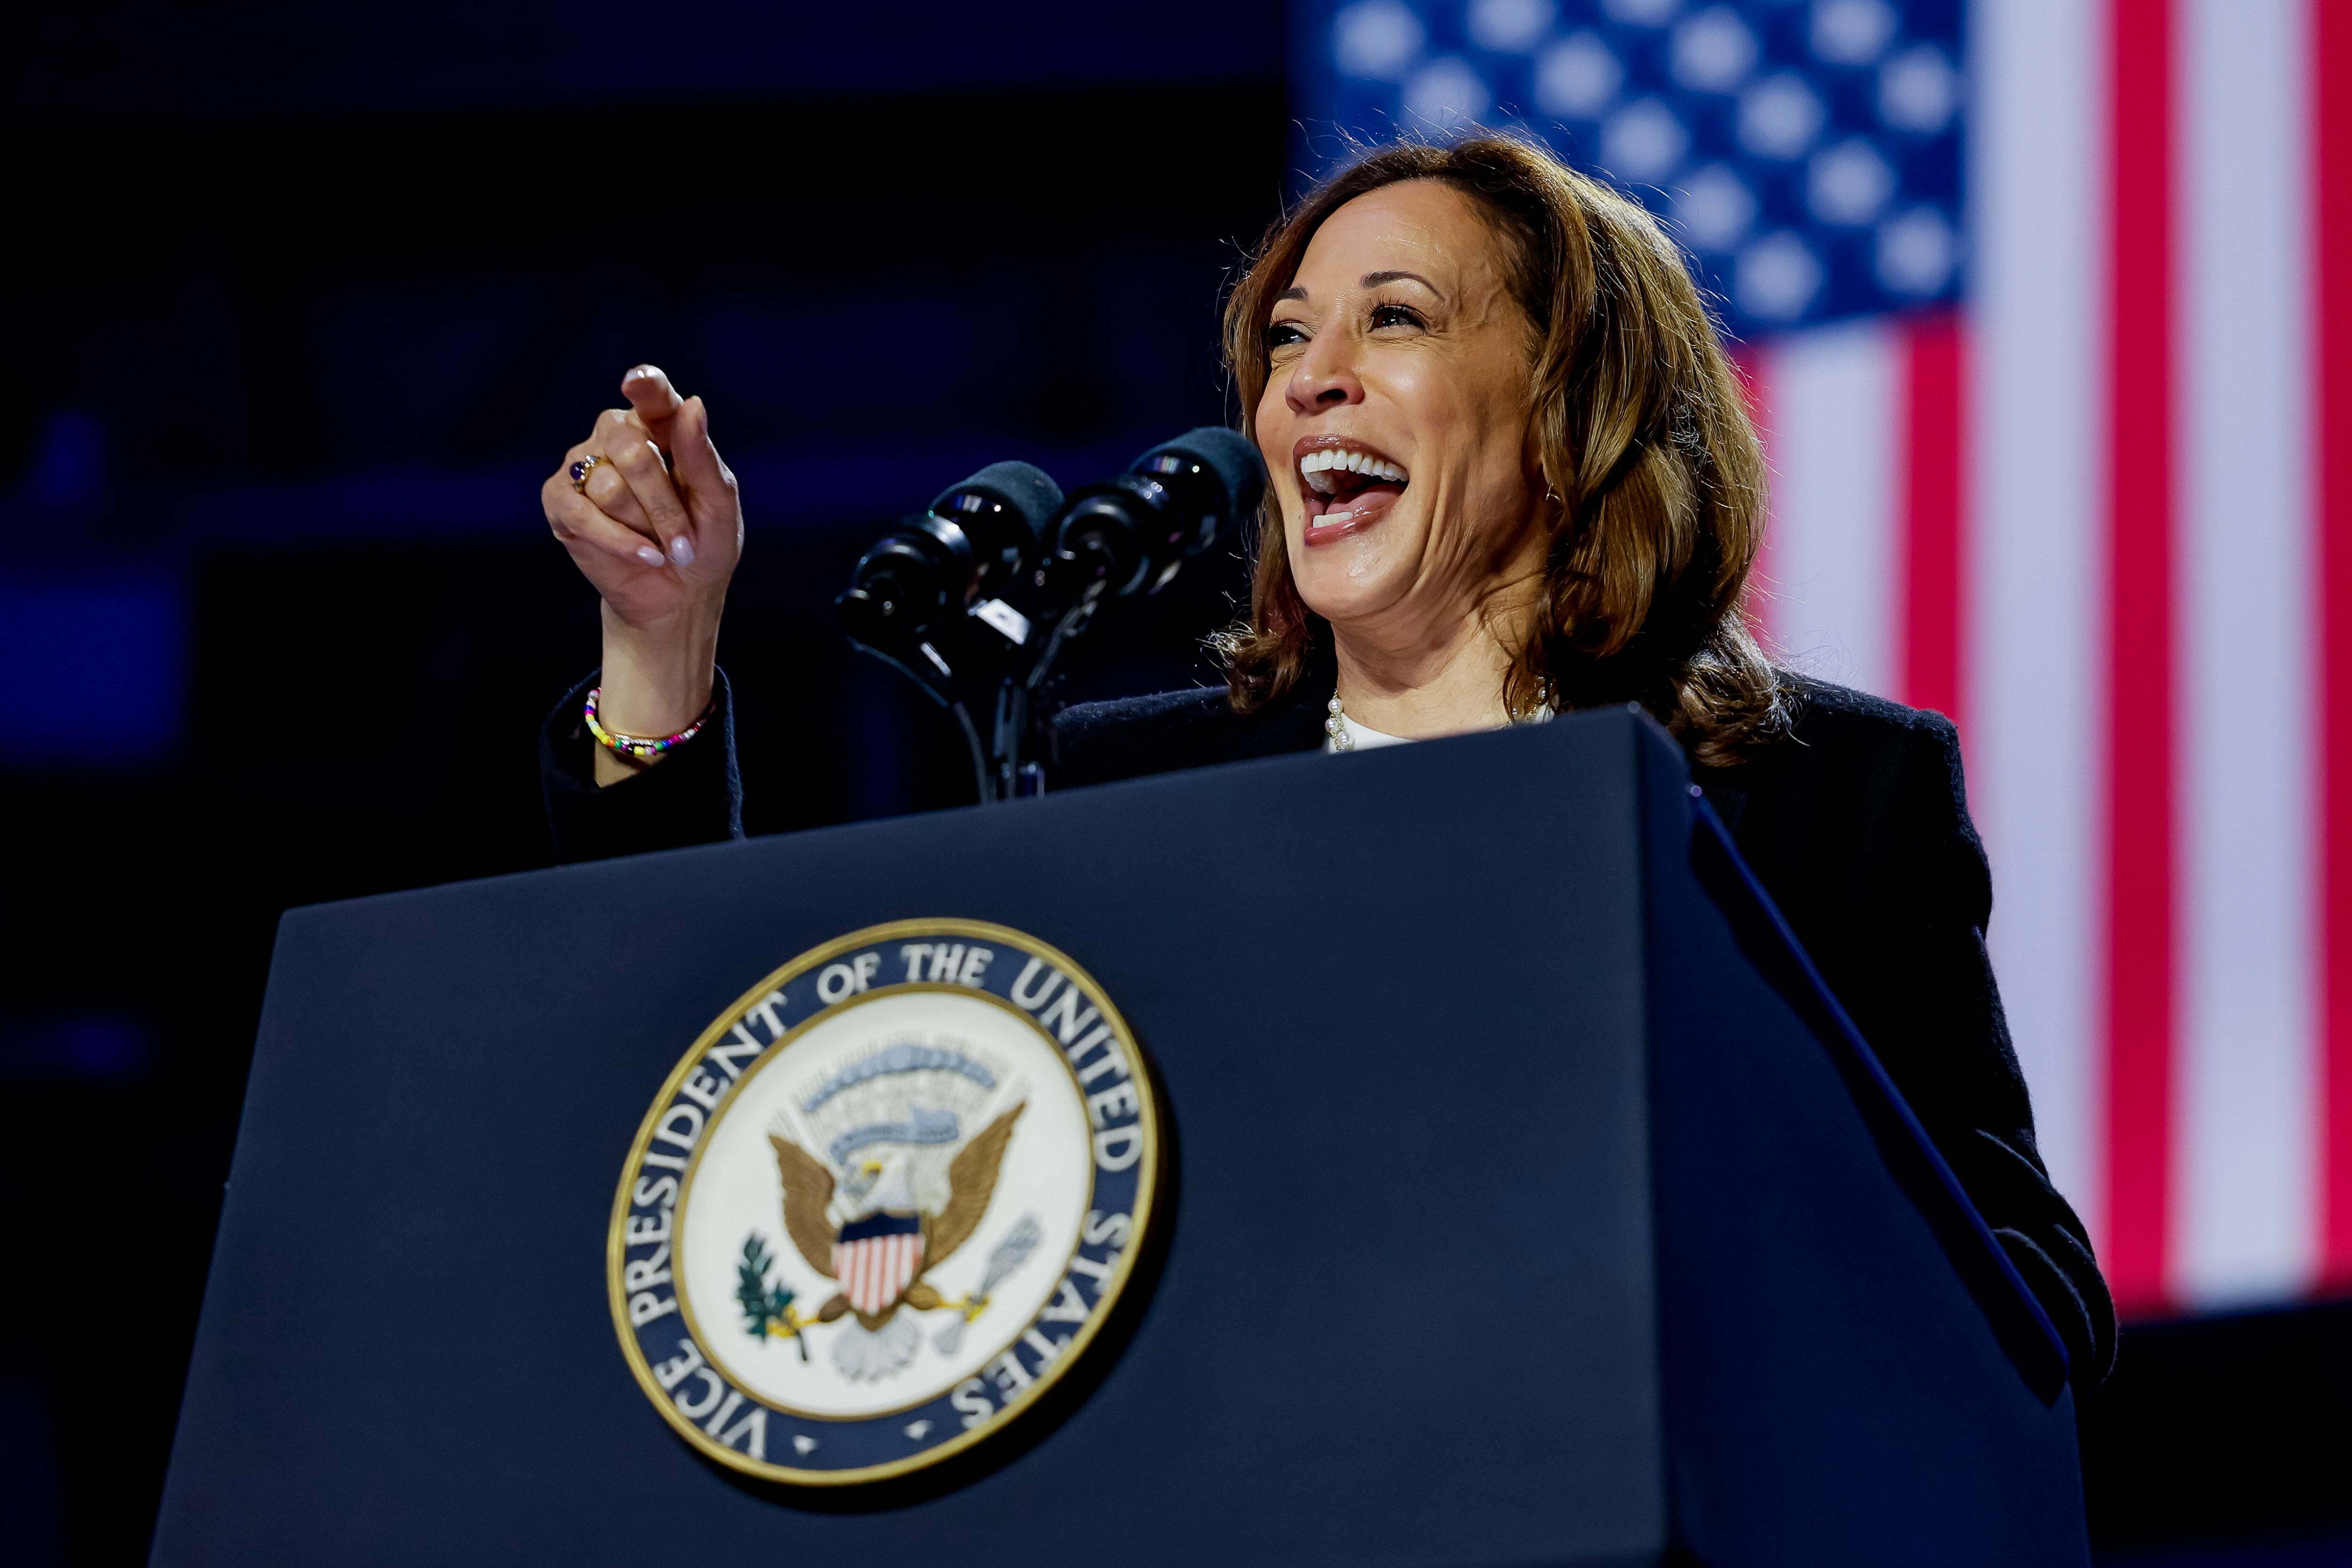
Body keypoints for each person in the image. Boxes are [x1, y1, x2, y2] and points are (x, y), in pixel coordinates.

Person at [534, 135, 2116, 1386]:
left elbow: (2028, 1292)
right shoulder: (1108, 793)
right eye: (1287, 337)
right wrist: (660, 647)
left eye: (1397, 319)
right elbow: (718, 1067)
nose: (1307, 380)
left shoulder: (1830, 793)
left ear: (1573, 408)